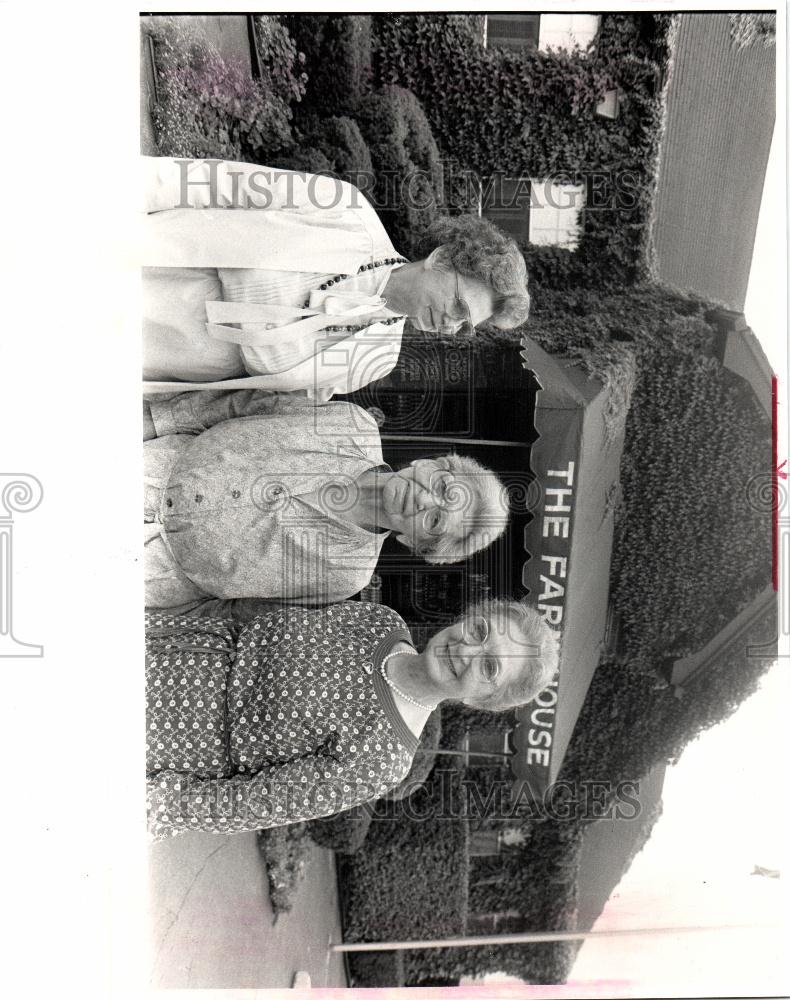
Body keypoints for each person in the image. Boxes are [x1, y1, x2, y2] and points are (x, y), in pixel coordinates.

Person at [146, 597, 560, 838]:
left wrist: (153, 805)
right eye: (480, 630)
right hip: (165, 645)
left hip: (166, 739)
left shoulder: (384, 760)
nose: (467, 650)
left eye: (489, 668)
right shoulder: (382, 621)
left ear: (483, 701)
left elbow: (249, 804)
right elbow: (248, 625)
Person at [142, 156, 531, 400]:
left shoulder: (377, 360)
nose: (452, 324)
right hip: (156, 268)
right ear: (442, 258)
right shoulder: (347, 210)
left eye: (465, 325)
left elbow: (271, 401)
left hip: (158, 361)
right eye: (460, 306)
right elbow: (222, 182)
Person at [144, 389, 509, 611]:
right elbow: (243, 405)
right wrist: (151, 421)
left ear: (413, 542)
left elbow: (240, 611)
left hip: (153, 570)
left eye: (434, 521)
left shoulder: (348, 576)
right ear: (429, 462)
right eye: (443, 486)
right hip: (149, 460)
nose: (424, 498)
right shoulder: (352, 424)